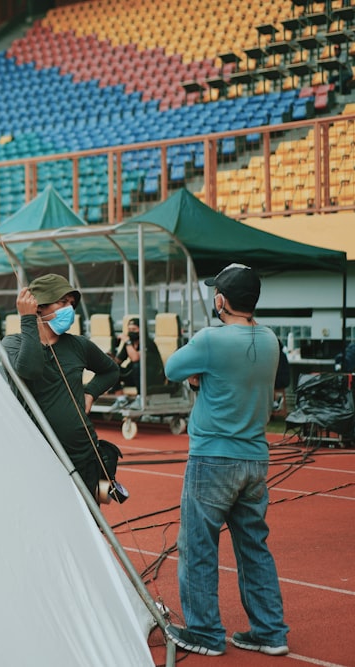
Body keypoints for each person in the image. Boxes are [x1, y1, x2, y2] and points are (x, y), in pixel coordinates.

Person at [163, 263, 289, 657]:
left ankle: (204, 633)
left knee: (199, 547)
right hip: (254, 458)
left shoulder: (210, 340)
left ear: (220, 300)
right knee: (254, 547)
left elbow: (171, 368)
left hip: (213, 459)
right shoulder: (270, 339)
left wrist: (198, 373)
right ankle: (270, 631)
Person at [0, 274, 124, 503]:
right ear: (39, 306)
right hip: (40, 455)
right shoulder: (12, 343)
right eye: (62, 302)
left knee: (93, 516)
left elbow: (111, 371)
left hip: (85, 452)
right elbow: (30, 370)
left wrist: (90, 393)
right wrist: (28, 320)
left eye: (72, 304)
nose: (70, 309)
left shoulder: (79, 345)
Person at [114, 317, 166, 393]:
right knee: (112, 368)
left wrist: (128, 342)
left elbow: (135, 358)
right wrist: (109, 358)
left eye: (134, 329)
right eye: (129, 330)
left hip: (150, 377)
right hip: (134, 376)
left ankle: (140, 397)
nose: (131, 332)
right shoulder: (130, 343)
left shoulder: (147, 343)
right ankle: (119, 396)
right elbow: (118, 361)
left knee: (137, 366)